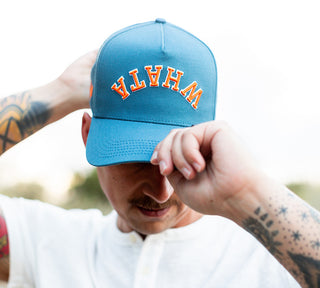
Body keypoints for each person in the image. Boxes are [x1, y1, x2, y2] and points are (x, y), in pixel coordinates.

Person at [0, 19, 319, 288]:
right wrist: (59, 93)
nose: (162, 191)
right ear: (87, 134)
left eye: (183, 163)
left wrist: (246, 193)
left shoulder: (273, 259)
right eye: (138, 160)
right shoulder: (49, 242)